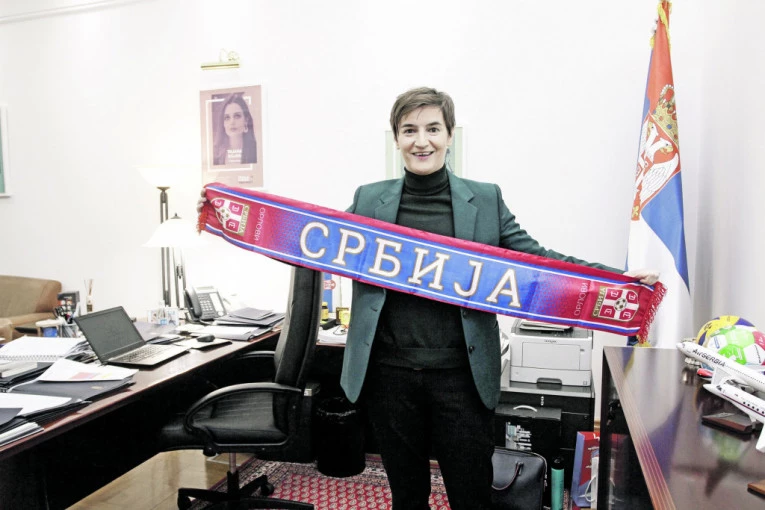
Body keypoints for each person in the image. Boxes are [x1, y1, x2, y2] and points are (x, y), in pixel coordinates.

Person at [198, 87, 659, 510]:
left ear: (449, 135)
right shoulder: (369, 200)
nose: (422, 141)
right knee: (408, 494)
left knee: (470, 494)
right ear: (397, 139)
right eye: (409, 130)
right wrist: (230, 212)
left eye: (433, 129)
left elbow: (539, 261)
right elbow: (311, 241)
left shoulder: (485, 199)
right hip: (389, 378)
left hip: (461, 379)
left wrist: (617, 279)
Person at [213, 93, 257, 166]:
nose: (232, 122)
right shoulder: (216, 155)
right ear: (223, 123)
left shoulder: (256, 152)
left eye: (237, 116)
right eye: (227, 118)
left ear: (246, 120)